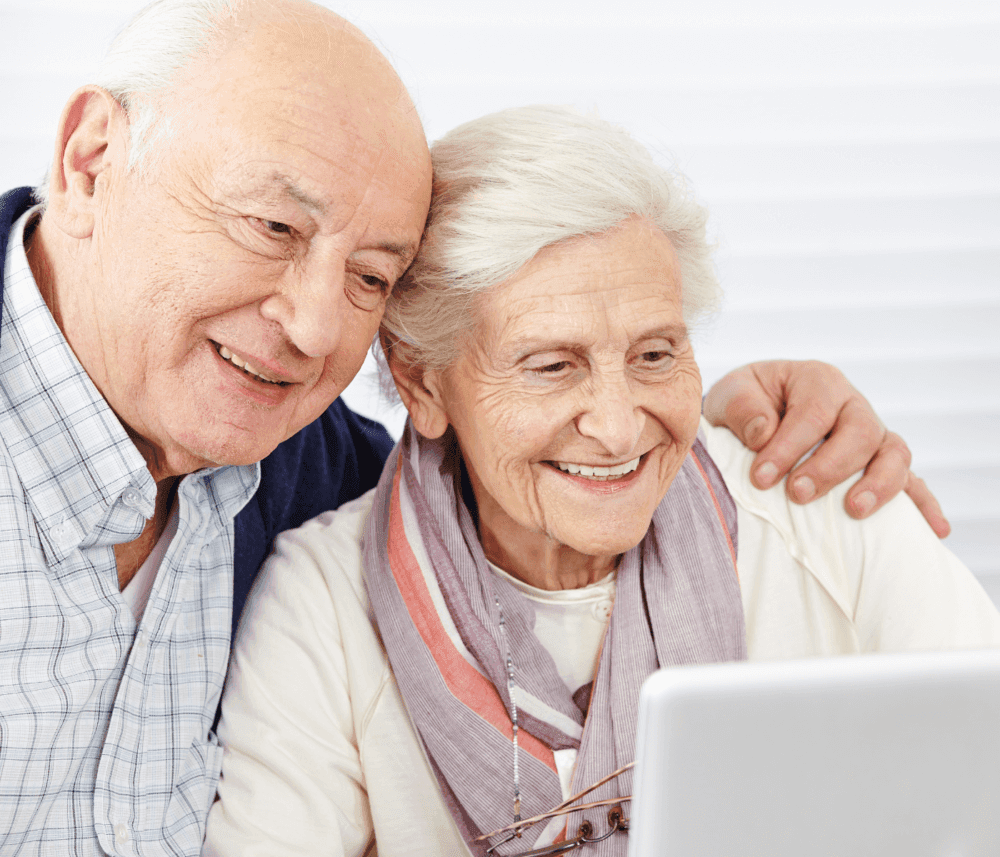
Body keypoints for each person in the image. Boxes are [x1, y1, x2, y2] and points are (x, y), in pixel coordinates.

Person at [0, 0, 944, 853]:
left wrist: (718, 416)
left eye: (370, 276)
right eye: (272, 227)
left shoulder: (292, 451)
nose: (319, 326)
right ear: (91, 159)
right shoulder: (314, 558)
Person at [203, 105, 1000, 857]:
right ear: (421, 383)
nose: (619, 428)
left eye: (656, 355)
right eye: (552, 367)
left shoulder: (824, 502)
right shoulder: (324, 603)